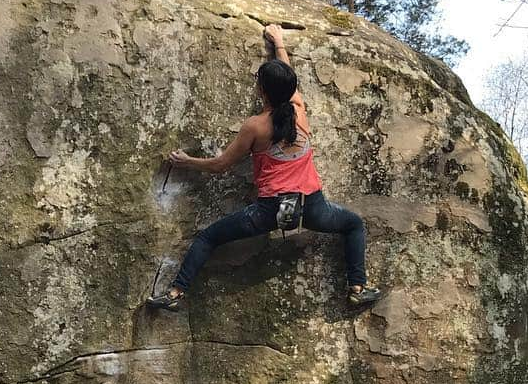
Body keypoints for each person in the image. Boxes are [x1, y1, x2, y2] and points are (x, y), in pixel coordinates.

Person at [147, 23, 381, 312]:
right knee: (353, 224)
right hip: (311, 205)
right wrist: (279, 43)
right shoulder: (298, 111)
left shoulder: (255, 127)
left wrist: (186, 161)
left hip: (270, 210)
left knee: (208, 237)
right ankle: (357, 287)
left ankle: (175, 293)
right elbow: (288, 80)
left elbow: (221, 165)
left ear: (261, 90)